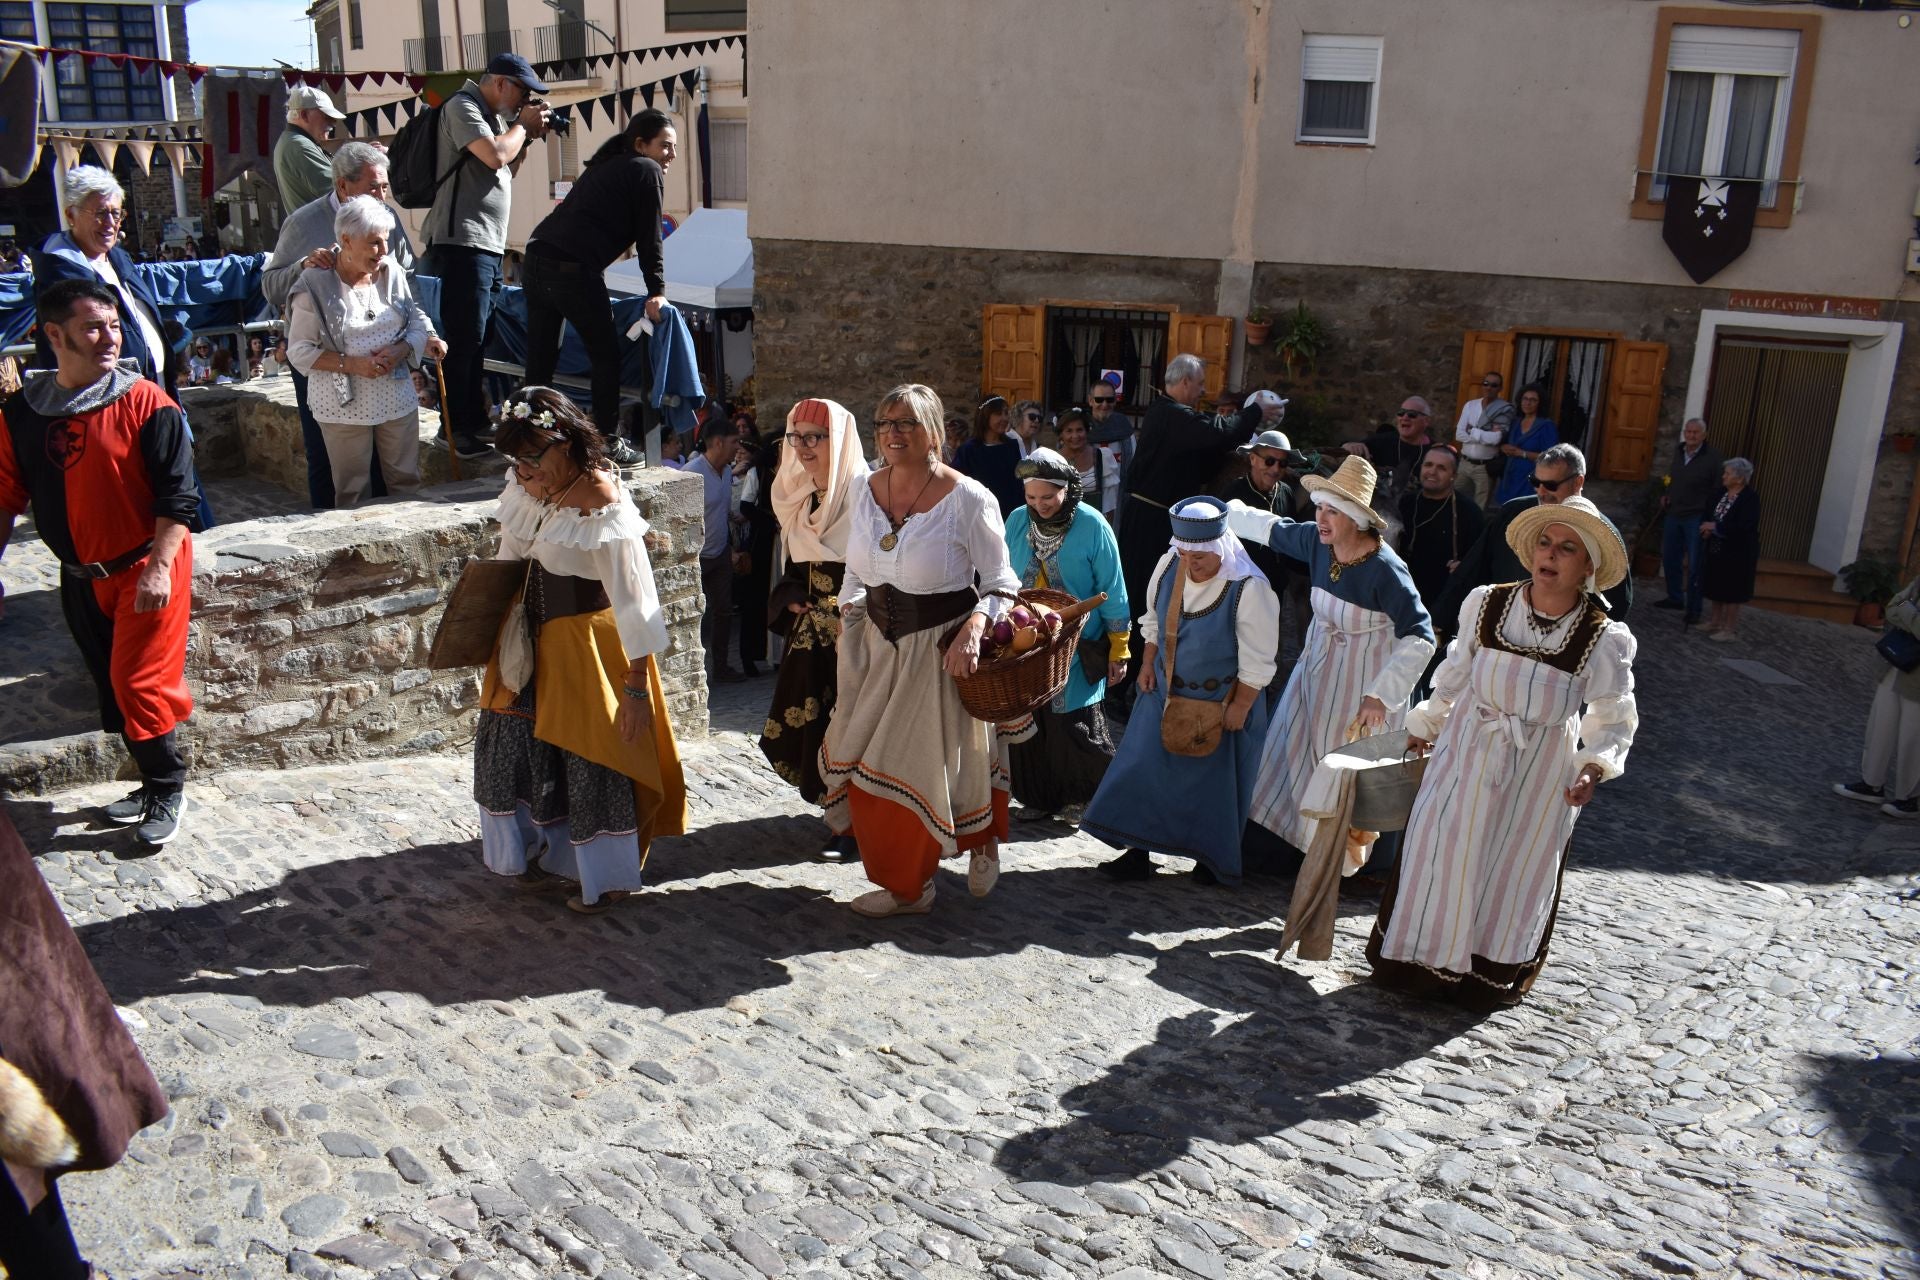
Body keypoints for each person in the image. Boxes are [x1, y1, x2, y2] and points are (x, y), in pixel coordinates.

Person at [1368, 496, 1637, 1006]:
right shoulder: (1487, 603)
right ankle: (1419, 965)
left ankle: (1479, 978)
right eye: (1545, 542)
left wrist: (1594, 766)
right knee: (1441, 846)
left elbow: (1612, 713)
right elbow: (1453, 678)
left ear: (1587, 568)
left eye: (1567, 548)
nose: (1551, 555)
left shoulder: (1603, 640)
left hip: (1539, 770)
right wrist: (1425, 724)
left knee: (1512, 865)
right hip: (1468, 746)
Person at [0, 279, 201, 846]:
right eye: (93, 327)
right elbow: (4, 494)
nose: (110, 337)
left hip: (147, 564)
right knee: (111, 688)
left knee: (137, 682)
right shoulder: (21, 414)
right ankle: (147, 781)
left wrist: (160, 568)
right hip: (82, 576)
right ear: (54, 335)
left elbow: (177, 500)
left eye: (113, 325)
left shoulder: (147, 404)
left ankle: (167, 785)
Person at [472, 386, 687, 915]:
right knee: (511, 748)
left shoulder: (603, 506)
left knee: (593, 760)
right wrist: (488, 631)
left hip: (590, 651)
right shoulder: (528, 489)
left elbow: (637, 603)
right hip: (532, 641)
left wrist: (635, 689)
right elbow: (512, 559)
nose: (524, 473)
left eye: (532, 459)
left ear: (564, 441)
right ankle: (544, 854)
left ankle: (607, 877)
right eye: (516, 463)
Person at [819, 383, 1024, 917]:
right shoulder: (864, 489)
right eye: (885, 422)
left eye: (905, 422)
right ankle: (912, 877)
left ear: (933, 431)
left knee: (907, 769)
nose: (892, 433)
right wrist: (847, 610)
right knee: (863, 765)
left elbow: (1002, 580)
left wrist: (975, 627)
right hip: (876, 649)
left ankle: (916, 884)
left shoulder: (969, 499)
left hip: (939, 652)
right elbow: (856, 568)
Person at [1230, 455, 1435, 896]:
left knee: (1349, 773)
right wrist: (1214, 510)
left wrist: (1381, 695)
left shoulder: (1387, 570)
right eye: (1320, 507)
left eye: (1333, 511)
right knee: (1289, 755)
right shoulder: (1316, 542)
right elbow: (1266, 526)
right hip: (1316, 675)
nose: (1321, 518)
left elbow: (1421, 637)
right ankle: (1280, 854)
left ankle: (1351, 870)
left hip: (1363, 690)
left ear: (1358, 521)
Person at [1081, 497, 1277, 884]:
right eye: (1185, 552)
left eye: (1200, 556)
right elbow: (1153, 617)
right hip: (1164, 690)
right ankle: (1138, 850)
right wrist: (1148, 662)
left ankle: (1209, 859)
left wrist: (1242, 704)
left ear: (1219, 547)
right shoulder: (1171, 564)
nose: (1191, 562)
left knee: (1212, 784)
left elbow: (1259, 657)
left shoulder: (1249, 589)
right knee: (1144, 768)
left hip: (1223, 700)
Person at [262, 141, 419, 510]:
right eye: (372, 188)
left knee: (392, 471)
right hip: (325, 364)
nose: (382, 196)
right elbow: (271, 286)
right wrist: (303, 266)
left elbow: (408, 287)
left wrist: (412, 345)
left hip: (387, 376)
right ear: (343, 186)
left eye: (385, 187)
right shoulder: (303, 222)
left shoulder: (385, 220)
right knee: (329, 462)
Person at [522, 109, 678, 469]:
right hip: (573, 268)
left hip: (536, 257)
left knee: (541, 357)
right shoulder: (646, 169)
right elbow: (649, 240)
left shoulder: (610, 164)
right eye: (665, 146)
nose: (671, 155)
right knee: (606, 355)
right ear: (641, 144)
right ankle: (607, 441)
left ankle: (529, 435)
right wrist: (657, 290)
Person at [423, 52, 553, 459]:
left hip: (485, 243)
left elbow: (504, 169)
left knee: (479, 336)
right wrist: (519, 127)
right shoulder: (462, 106)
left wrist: (525, 136)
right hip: (464, 241)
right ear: (501, 83)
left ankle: (472, 422)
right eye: (522, 92)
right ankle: (455, 428)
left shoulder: (494, 118)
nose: (524, 101)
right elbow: (496, 154)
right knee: (467, 336)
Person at [285, 197, 445, 509]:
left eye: (385, 241)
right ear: (345, 240)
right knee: (352, 491)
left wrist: (399, 351)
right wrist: (355, 365)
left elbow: (415, 322)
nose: (383, 251)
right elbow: (300, 351)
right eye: (374, 243)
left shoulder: (392, 272)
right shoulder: (315, 283)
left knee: (406, 482)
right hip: (343, 403)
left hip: (396, 395)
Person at [1003, 448, 1132, 821]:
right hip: (1024, 643)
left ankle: (1086, 797)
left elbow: (1114, 589)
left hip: (1077, 645)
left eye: (1048, 497)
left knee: (1072, 722)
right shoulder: (1015, 522)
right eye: (1031, 497)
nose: (1040, 505)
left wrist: (1118, 649)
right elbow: (1001, 574)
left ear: (1068, 489)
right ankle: (1039, 797)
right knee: (1031, 723)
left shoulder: (1093, 527)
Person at [760, 399, 866, 833]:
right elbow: (796, 564)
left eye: (814, 437)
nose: (802, 447)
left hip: (857, 630)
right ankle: (833, 806)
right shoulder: (801, 496)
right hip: (812, 635)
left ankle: (858, 811)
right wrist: (790, 596)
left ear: (836, 441)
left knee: (854, 720)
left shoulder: (865, 495)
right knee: (817, 721)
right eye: (796, 436)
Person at [1115, 354, 1262, 660]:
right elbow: (1217, 432)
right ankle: (1127, 669)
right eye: (1199, 384)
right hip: (1148, 521)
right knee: (1144, 593)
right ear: (1184, 382)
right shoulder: (1170, 414)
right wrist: (1254, 412)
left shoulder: (1174, 417)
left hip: (1161, 519)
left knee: (1164, 593)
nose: (1202, 391)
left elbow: (1208, 451)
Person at [1438, 443, 1635, 627]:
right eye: (1536, 482)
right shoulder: (1513, 513)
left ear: (1578, 482)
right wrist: (1440, 621)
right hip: (1499, 627)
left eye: (1550, 485)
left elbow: (1614, 606)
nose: (1541, 491)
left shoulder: (1602, 533)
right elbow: (1471, 571)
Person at [35, 168, 170, 387]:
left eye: (116, 213)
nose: (110, 222)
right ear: (71, 215)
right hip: (110, 407)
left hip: (153, 395)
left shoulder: (118, 258)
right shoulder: (61, 278)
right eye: (99, 213)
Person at [1834, 574, 1920, 818]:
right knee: (1880, 725)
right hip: (1895, 664)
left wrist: (1908, 613)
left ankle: (1910, 798)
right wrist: (1911, 615)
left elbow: (1904, 612)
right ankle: (1872, 784)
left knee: (1913, 738)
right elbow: (1893, 605)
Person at [1396, 444, 1486, 615]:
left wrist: (1464, 567)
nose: (1432, 472)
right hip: (1400, 593)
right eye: (1428, 465)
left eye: (1441, 468)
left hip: (1441, 602)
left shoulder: (1469, 513)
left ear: (1454, 476)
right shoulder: (1404, 503)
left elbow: (1479, 561)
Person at [687, 417, 743, 682]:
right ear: (718, 442)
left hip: (720, 552)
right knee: (693, 614)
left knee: (723, 611)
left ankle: (720, 667)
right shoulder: (691, 474)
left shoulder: (728, 472)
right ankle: (691, 670)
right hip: (695, 555)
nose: (738, 447)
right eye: (734, 442)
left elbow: (721, 510)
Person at [1656, 418, 1725, 626]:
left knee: (1695, 564)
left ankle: (1694, 609)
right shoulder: (1679, 452)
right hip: (1674, 512)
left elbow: (1718, 489)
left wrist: (1710, 517)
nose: (1691, 435)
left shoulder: (1713, 458)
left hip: (1696, 516)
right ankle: (1675, 597)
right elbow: (1673, 478)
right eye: (1688, 431)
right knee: (1670, 557)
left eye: (1696, 432)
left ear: (1704, 435)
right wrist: (1667, 494)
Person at [1699, 457, 1759, 642]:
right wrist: (1707, 529)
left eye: (1728, 473)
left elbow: (1745, 526)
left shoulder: (1750, 499)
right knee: (1716, 584)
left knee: (1733, 590)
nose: (1724, 476)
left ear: (1740, 479)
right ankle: (1715, 621)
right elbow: (1710, 515)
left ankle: (1729, 628)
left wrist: (1716, 528)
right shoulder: (1720, 494)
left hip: (1738, 551)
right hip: (1717, 548)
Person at [735, 435, 779, 677]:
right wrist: (772, 522)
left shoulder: (797, 473)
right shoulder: (757, 473)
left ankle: (780, 653)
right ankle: (749, 656)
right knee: (756, 600)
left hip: (790, 542)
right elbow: (746, 506)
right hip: (763, 543)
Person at [1345, 395, 1435, 502]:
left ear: (1426, 421)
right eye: (1401, 413)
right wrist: (1348, 445)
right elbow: (1346, 448)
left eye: (1412, 415)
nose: (1405, 417)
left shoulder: (1435, 452)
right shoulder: (1383, 440)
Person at [273, 85, 345, 213]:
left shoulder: (292, 140)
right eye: (326, 116)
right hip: (320, 230)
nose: (333, 123)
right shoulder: (299, 145)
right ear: (304, 115)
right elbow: (341, 192)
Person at [951, 395, 1025, 517]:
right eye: (998, 414)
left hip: (1009, 514)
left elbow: (1018, 483)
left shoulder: (1012, 446)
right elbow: (958, 484)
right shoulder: (968, 450)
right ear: (985, 416)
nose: (1004, 418)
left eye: (1006, 413)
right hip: (979, 515)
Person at [1452, 371, 1513, 508]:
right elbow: (1459, 435)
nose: (1489, 387)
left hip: (1485, 468)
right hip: (1464, 464)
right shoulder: (1470, 405)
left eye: (1494, 385)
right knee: (1452, 499)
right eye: (1486, 383)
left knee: (1480, 508)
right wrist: (1485, 433)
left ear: (1500, 388)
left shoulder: (1503, 409)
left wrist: (1471, 430)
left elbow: (1496, 439)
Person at [1494, 385, 1559, 504]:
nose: (1527, 403)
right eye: (1525, 399)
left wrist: (1522, 453)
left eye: (1533, 400)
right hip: (1510, 476)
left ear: (1540, 403)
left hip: (1531, 479)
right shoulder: (1515, 422)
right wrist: (1503, 447)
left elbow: (1550, 457)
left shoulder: (1546, 426)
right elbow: (1503, 442)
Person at [1056, 406, 1121, 520]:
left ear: (1087, 431)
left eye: (1079, 430)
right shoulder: (1052, 460)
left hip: (1092, 527)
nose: (1075, 436)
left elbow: (1109, 505)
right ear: (1061, 434)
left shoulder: (1102, 458)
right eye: (1069, 431)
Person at [1086, 375, 1134, 474]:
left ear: (1115, 401)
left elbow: (1133, 461)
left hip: (1118, 487)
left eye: (1109, 400)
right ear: (1090, 401)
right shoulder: (1080, 428)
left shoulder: (1124, 427)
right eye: (1099, 400)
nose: (1104, 405)